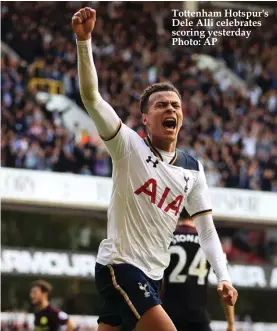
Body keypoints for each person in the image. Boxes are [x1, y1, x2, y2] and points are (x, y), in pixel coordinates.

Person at [72, 7, 238, 331]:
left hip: (152, 276)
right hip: (121, 267)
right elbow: (91, 98)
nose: (170, 108)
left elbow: (207, 230)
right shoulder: (128, 145)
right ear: (145, 119)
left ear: (183, 117)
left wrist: (225, 277)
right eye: (161, 104)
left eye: (175, 104)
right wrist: (84, 41)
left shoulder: (193, 169)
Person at [162, 209, 236, 331]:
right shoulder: (210, 243)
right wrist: (231, 323)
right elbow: (226, 288)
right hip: (198, 317)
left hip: (168, 317)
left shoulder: (166, 239)